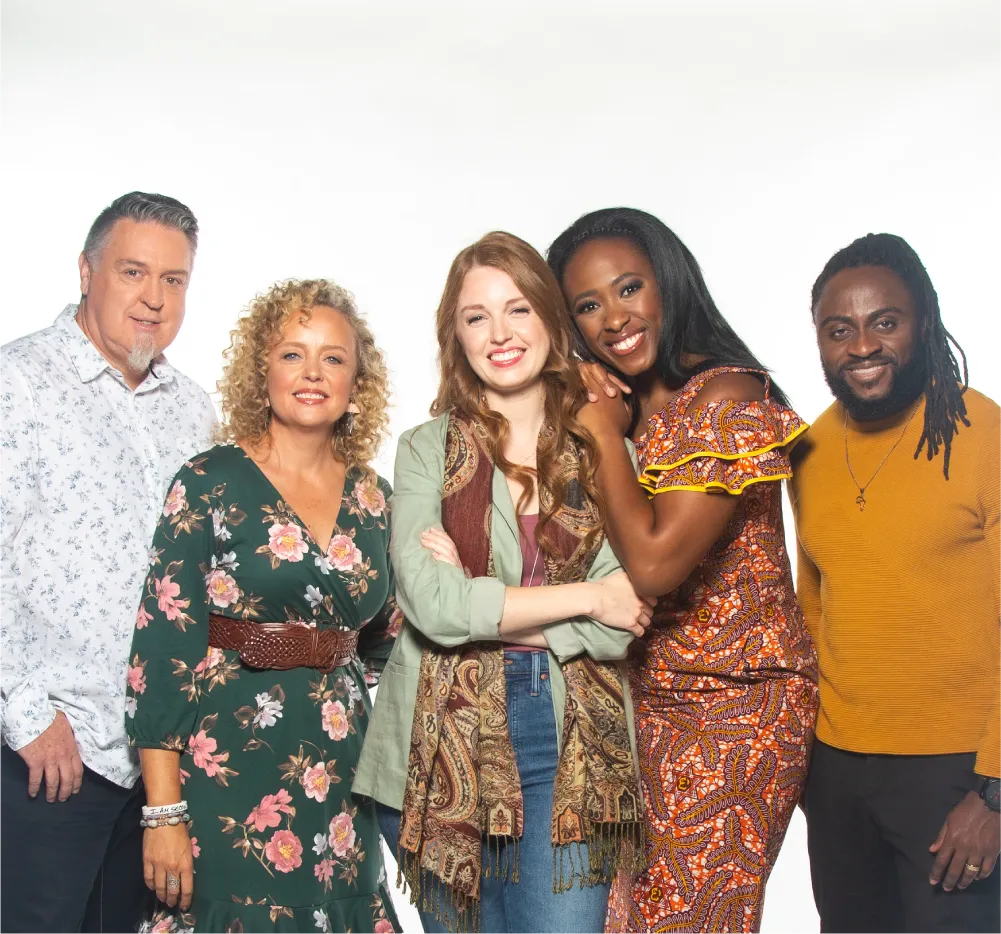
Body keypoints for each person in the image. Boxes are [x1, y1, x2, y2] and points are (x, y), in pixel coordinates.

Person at [355, 231, 652, 934]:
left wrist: (476, 603)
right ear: (454, 336)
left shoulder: (606, 451)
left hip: (569, 737)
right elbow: (432, 607)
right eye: (475, 316)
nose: (499, 334)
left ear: (549, 318)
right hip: (436, 748)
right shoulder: (427, 448)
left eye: (516, 309)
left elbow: (624, 618)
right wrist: (585, 596)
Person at [547, 207, 818, 934]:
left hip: (736, 704)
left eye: (629, 287)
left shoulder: (727, 396)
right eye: (587, 305)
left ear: (668, 283)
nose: (613, 318)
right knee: (621, 921)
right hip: (640, 704)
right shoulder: (626, 414)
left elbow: (655, 562)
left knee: (692, 923)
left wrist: (601, 433)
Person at [126, 280, 400, 934]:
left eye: (333, 358)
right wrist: (163, 812)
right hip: (227, 763)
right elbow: (162, 651)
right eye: (292, 355)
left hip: (341, 768)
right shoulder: (209, 480)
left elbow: (388, 650)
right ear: (262, 370)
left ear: (357, 381)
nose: (313, 373)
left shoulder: (375, 498)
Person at [0, 191, 216, 933]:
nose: (153, 299)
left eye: (174, 280)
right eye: (133, 272)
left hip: (157, 765)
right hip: (42, 754)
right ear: (87, 271)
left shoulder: (194, 410)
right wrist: (26, 715)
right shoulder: (17, 382)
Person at [789, 233, 1001, 932]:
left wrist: (994, 795)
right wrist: (807, 767)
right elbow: (814, 608)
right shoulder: (809, 450)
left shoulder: (981, 434)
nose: (860, 347)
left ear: (924, 321)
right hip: (839, 772)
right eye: (837, 329)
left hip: (958, 773)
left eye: (885, 322)